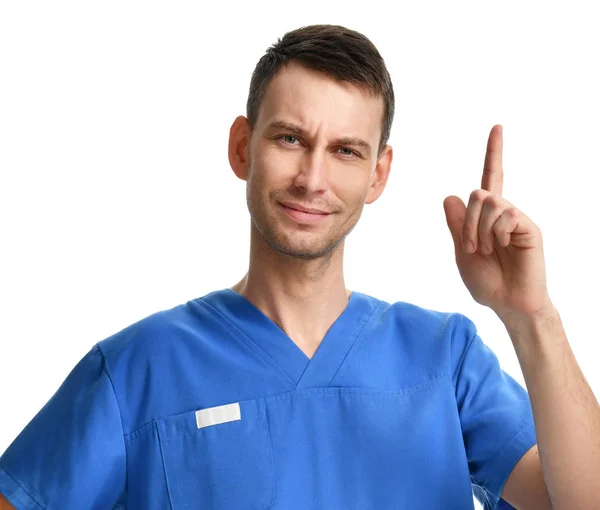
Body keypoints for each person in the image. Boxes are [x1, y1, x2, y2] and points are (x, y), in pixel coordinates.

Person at [1, 23, 596, 510]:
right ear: (243, 146)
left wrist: (531, 316)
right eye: (290, 139)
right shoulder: (136, 371)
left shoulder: (444, 359)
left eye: (345, 150)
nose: (313, 179)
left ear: (378, 174)